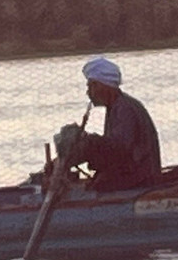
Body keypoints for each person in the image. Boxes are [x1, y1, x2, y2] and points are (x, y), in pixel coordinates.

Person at [66, 56, 161, 192]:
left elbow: (118, 149)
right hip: (135, 176)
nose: (88, 92)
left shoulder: (124, 109)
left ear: (104, 85)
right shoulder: (117, 106)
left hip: (139, 181)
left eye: (92, 86)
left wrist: (89, 143)